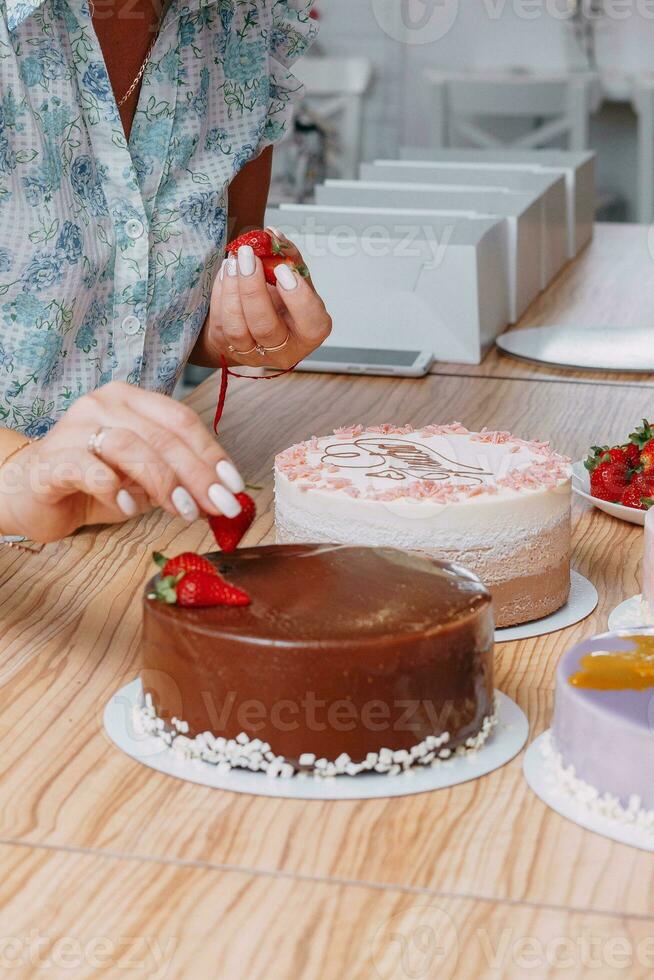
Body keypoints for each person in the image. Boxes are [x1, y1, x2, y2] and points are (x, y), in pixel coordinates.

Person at [0, 0, 331, 542]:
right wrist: (17, 473)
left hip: (127, 542)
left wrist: (245, 328)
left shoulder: (243, 22)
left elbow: (179, 318)